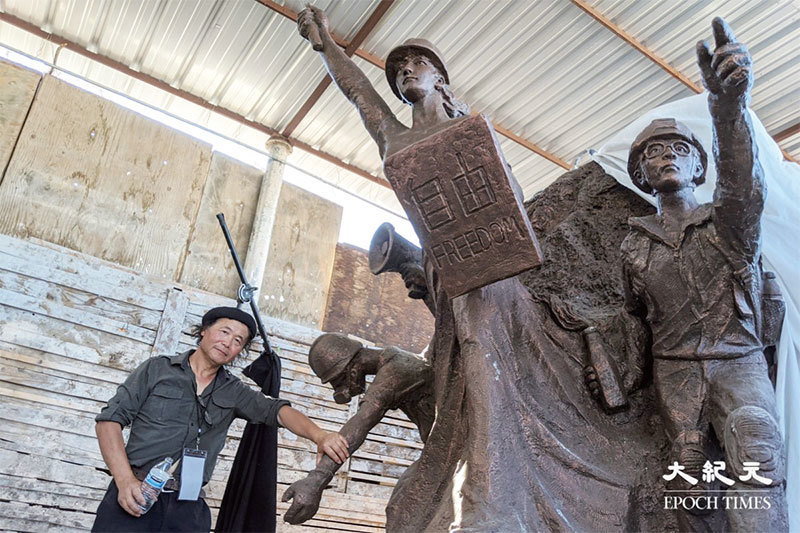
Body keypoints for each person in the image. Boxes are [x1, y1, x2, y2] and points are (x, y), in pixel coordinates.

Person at [295, 7, 650, 531]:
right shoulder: (394, 138)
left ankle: (491, 497)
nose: (407, 70)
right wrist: (326, 46)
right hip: (447, 277)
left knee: (486, 360)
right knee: (467, 370)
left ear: (440, 76)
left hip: (491, 271)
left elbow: (513, 204)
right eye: (399, 70)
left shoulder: (473, 130)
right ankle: (488, 488)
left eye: (419, 63)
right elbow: (358, 94)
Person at [618, 18, 787, 531]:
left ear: (698, 168)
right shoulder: (633, 246)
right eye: (651, 153)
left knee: (755, 450)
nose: (664, 155)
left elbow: (744, 185)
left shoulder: (726, 223)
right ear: (643, 176)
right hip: (675, 371)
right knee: (686, 476)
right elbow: (634, 320)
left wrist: (728, 109)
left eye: (679, 149)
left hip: (738, 360)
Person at [91, 306, 349, 532]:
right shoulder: (157, 369)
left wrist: (320, 435)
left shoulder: (235, 391)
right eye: (224, 332)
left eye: (238, 340)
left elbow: (278, 411)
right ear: (204, 331)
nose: (228, 343)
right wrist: (125, 481)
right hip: (135, 494)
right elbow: (108, 422)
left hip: (187, 510)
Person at [281, 333, 434, 524]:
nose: (341, 392)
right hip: (439, 449)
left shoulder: (396, 369)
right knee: (400, 509)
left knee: (405, 512)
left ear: (351, 371)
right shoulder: (393, 361)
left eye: (338, 383)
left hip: (457, 450)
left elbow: (363, 420)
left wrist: (316, 480)